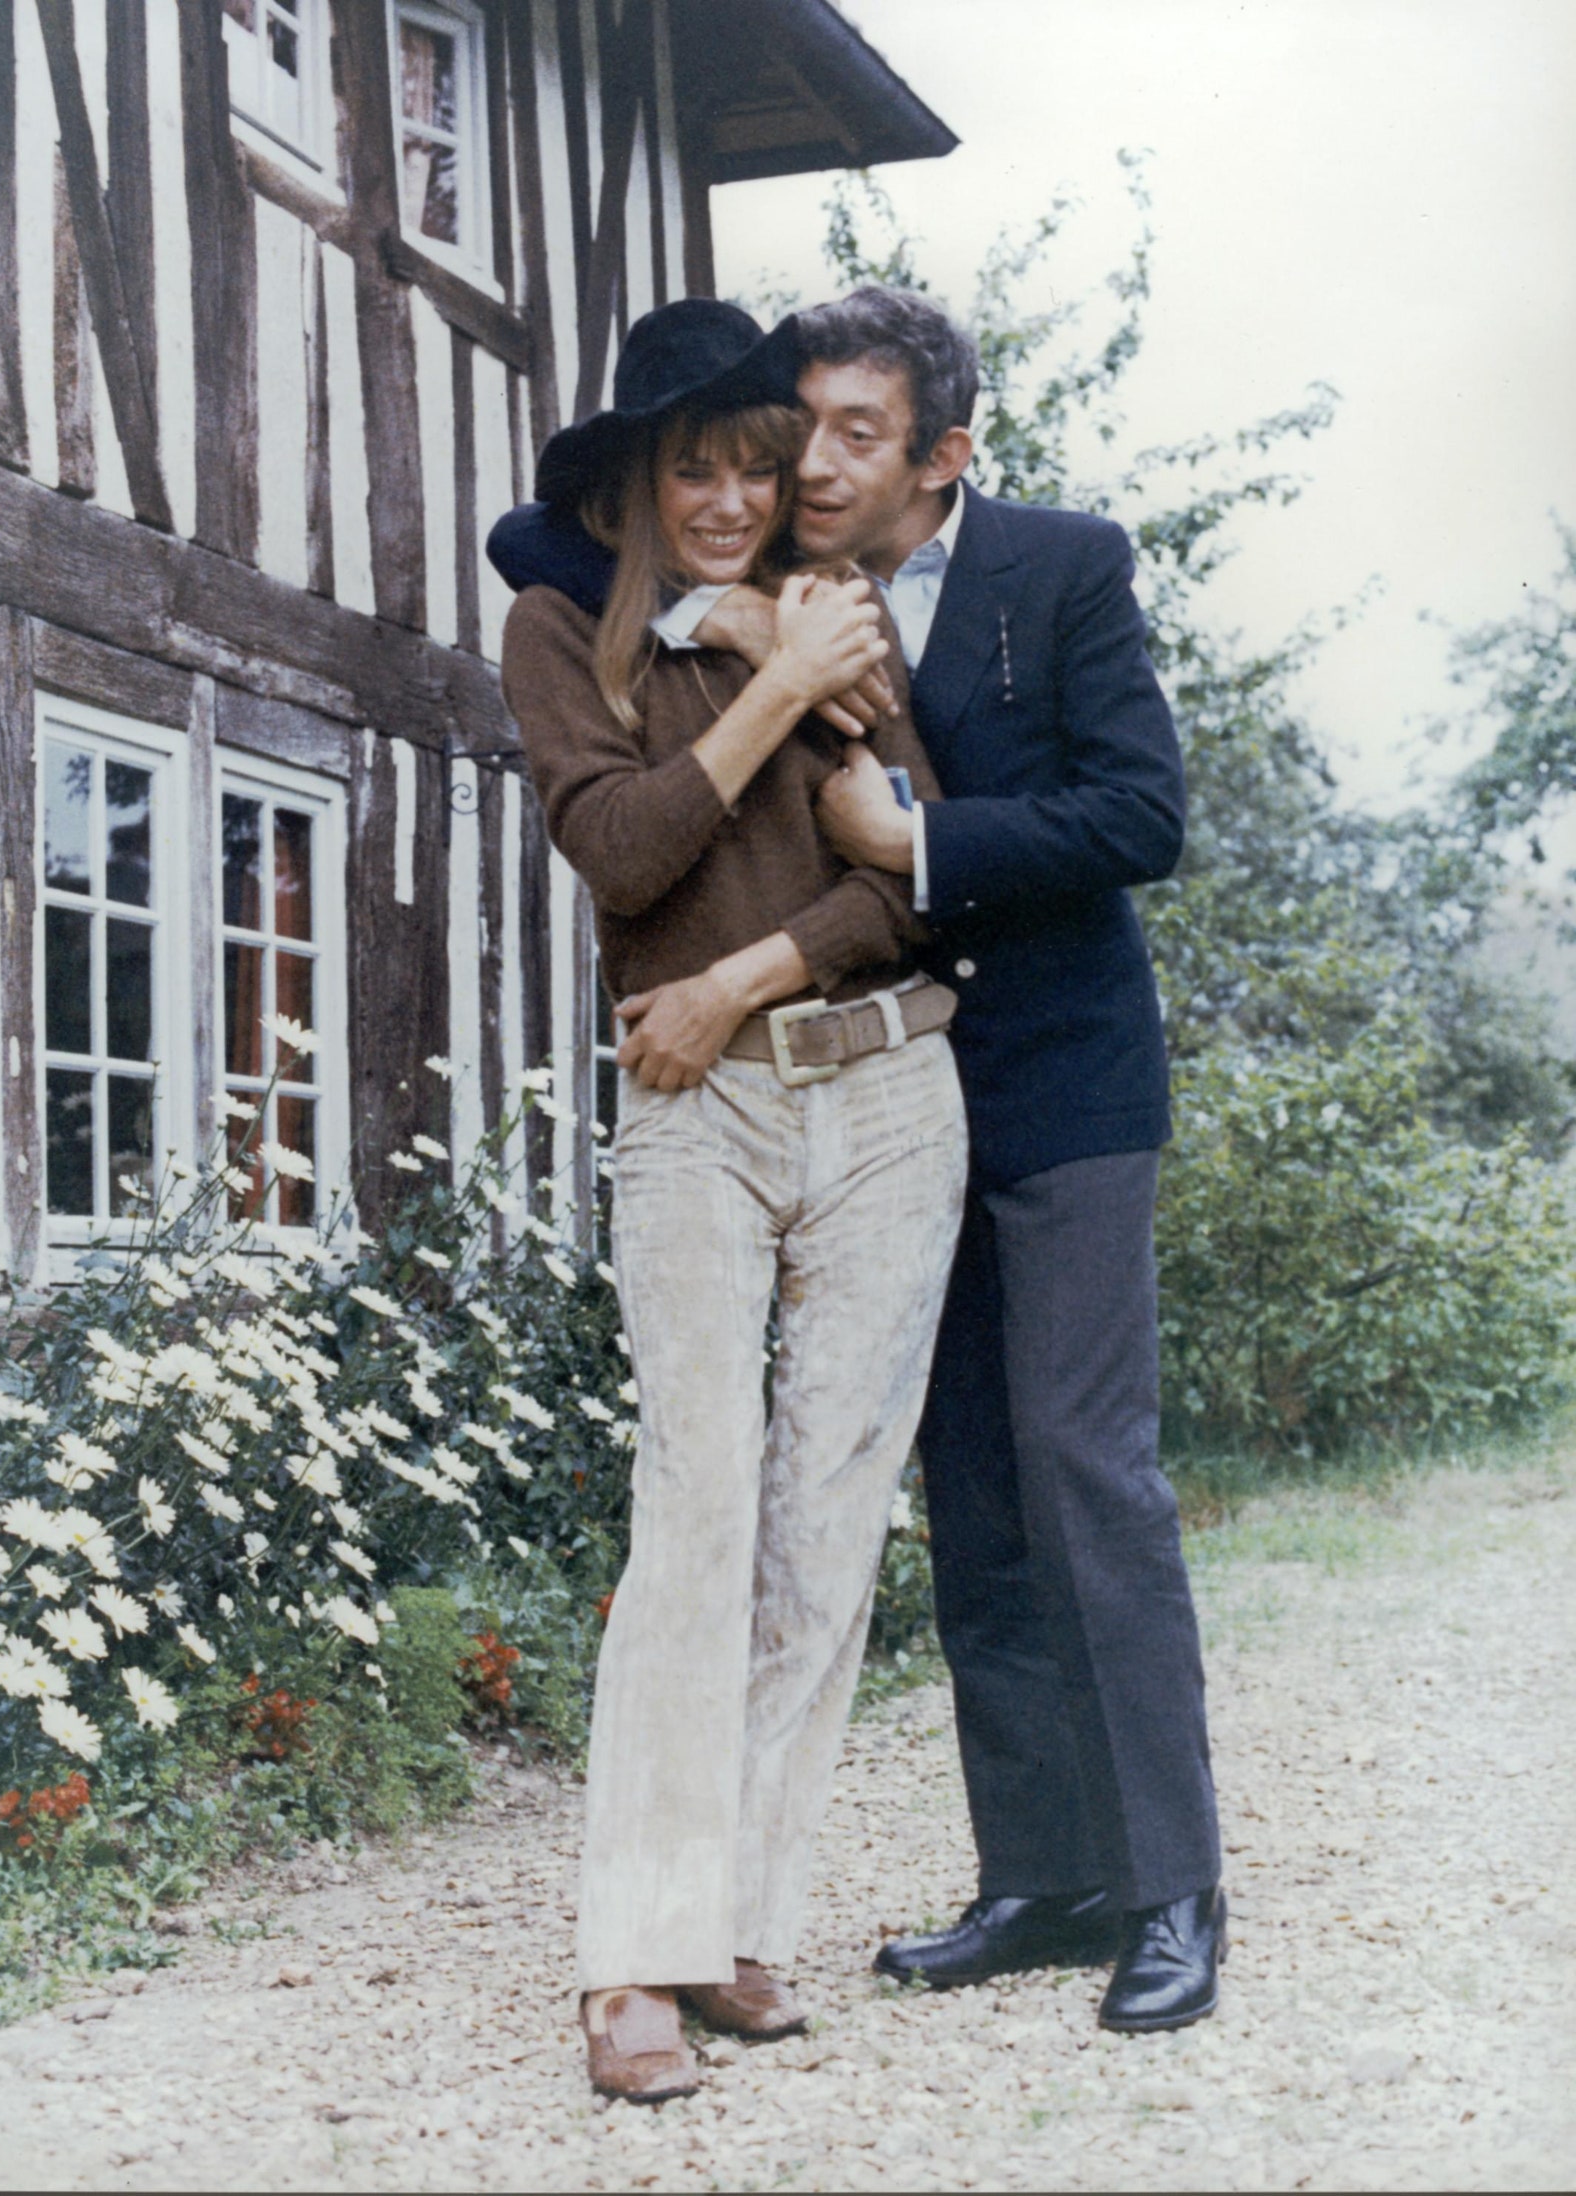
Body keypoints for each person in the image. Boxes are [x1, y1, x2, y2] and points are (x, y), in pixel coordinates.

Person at [488, 285, 1227, 2037]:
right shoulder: (673, 616)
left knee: (998, 1492)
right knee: (850, 1500)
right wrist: (759, 668)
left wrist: (868, 856)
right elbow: (616, 814)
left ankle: (1142, 1892)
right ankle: (947, 1889)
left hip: (982, 1086)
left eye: (815, 444)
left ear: (931, 455)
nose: (784, 477)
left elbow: (1031, 840)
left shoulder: (986, 583)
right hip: (768, 1106)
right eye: (746, 446)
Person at [497, 298, 968, 2103]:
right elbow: (619, 849)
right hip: (696, 1124)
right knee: (692, 1518)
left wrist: (741, 973)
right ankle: (636, 1959)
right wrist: (770, 677)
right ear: (634, 482)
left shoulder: (845, 626)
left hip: (888, 1100)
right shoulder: (565, 637)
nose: (728, 498)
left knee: (823, 1534)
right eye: (694, 466)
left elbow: (909, 889)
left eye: (758, 470)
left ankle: (744, 1930)